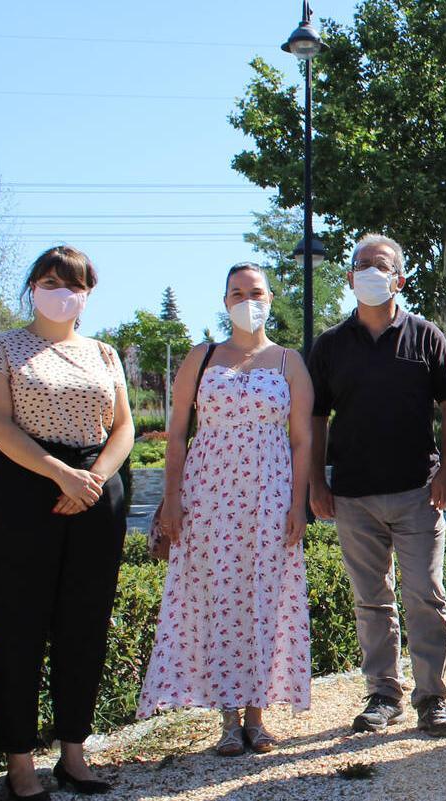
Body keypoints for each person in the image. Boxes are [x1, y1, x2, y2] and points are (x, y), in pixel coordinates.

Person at [0, 246, 132, 799]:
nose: (62, 291)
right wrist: (60, 474)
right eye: (50, 280)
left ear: (88, 292)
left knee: (84, 624)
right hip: (26, 484)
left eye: (74, 283)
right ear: (33, 286)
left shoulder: (105, 354)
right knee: (19, 624)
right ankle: (19, 762)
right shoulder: (0, 349)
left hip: (95, 490)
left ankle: (74, 754)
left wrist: (93, 480)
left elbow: (124, 428)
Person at [137, 264, 314, 755]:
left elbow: (302, 440)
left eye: (255, 291)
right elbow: (176, 434)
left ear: (271, 297)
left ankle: (257, 716)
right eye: (237, 292)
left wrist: (297, 503)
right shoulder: (202, 356)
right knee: (218, 594)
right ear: (224, 299)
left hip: (268, 494)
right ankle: (226, 720)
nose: (246, 299)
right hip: (208, 494)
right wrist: (171, 499)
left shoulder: (288, 362)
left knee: (264, 595)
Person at [308, 234, 446, 737]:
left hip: (418, 491)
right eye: (361, 265)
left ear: (400, 278)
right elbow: (315, 418)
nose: (370, 272)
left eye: (382, 265)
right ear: (350, 278)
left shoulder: (426, 336)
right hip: (352, 494)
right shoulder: (329, 346)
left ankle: (432, 699)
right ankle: (382, 695)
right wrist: (316, 482)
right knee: (371, 600)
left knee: (425, 596)